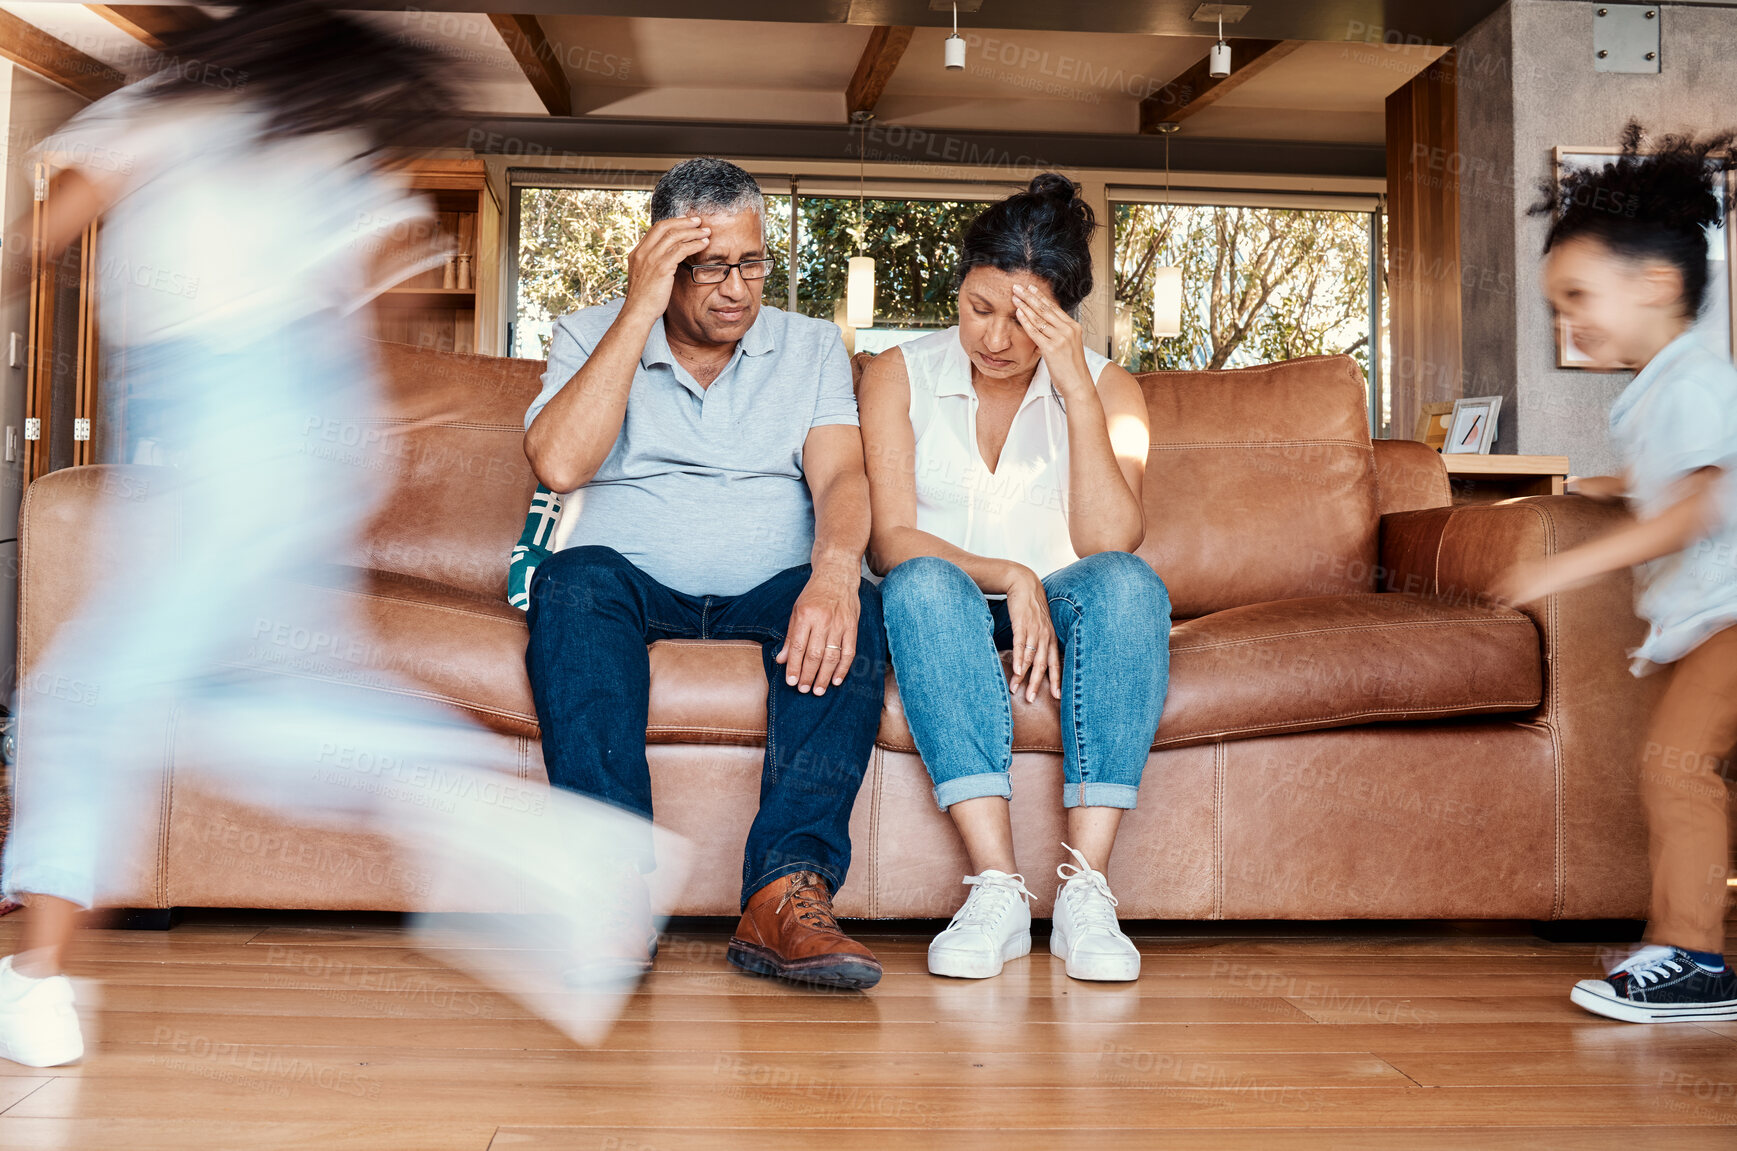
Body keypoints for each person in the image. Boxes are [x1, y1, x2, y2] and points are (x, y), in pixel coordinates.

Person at [0, 0, 674, 1070]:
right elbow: (378, 301)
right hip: (296, 435)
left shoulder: (169, 105)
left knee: (88, 697)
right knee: (254, 703)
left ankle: (34, 981)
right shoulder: (325, 148)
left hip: (226, 429)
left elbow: (42, 231)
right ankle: (543, 845)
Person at [521, 157, 889, 991]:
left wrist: (833, 573)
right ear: (659, 258)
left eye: (751, 262)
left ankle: (782, 893)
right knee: (571, 582)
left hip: (770, 582)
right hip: (629, 581)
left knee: (855, 605)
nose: (735, 288)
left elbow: (840, 478)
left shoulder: (808, 346)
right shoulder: (590, 330)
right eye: (709, 266)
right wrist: (637, 309)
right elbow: (559, 461)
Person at [857, 173, 1170, 982]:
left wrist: (1073, 383)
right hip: (945, 599)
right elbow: (890, 539)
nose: (993, 339)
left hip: (1069, 604)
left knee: (1132, 587)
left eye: (1025, 319)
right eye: (977, 307)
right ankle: (994, 886)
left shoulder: (1106, 386)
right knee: (920, 581)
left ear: (1063, 318)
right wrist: (1009, 573)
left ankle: (1083, 891)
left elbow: (1110, 542)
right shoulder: (898, 373)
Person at [1498, 124, 1737, 1022]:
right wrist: (1601, 488)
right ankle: (1675, 939)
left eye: (1577, 297)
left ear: (1655, 284)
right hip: (1713, 617)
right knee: (1685, 767)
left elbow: (1701, 501)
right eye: (1555, 307)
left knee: (1675, 764)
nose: (1567, 322)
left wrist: (1571, 564)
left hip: (1730, 615)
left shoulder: (1691, 383)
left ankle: (1692, 956)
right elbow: (1669, 480)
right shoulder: (1670, 386)